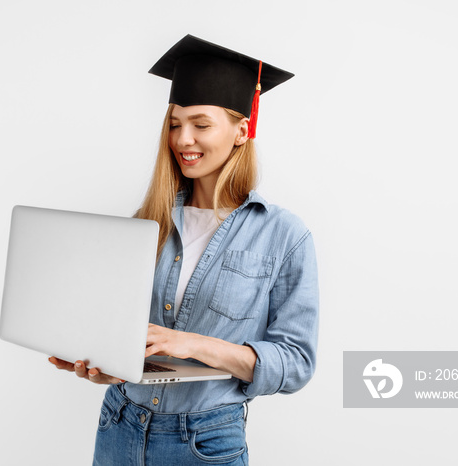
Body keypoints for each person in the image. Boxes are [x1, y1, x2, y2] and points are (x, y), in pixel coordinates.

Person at [48, 34, 319, 465]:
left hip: (204, 443)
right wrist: (107, 368)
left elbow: (295, 363)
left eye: (201, 124)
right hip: (120, 425)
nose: (183, 139)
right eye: (175, 124)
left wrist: (190, 343)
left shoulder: (284, 235)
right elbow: (130, 337)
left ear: (241, 131)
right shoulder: (147, 221)